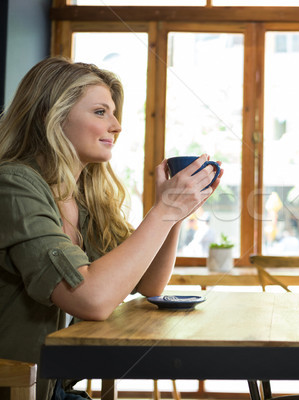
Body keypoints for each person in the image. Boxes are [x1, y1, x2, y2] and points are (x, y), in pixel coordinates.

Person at [0, 56, 223, 400]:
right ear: (53, 116)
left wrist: (175, 215)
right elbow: (92, 299)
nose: (116, 126)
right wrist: (164, 211)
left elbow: (148, 283)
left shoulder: (82, 197)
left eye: (114, 114)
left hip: (53, 388)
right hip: (17, 388)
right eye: (101, 112)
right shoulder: (14, 185)